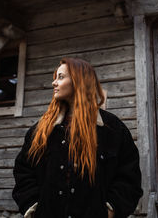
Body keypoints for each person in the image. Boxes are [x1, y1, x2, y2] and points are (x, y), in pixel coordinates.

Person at [12, 58, 143, 218]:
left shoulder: (113, 129)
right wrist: (33, 207)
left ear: (78, 80)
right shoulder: (41, 129)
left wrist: (110, 210)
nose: (54, 83)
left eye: (61, 77)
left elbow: (129, 177)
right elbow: (23, 171)